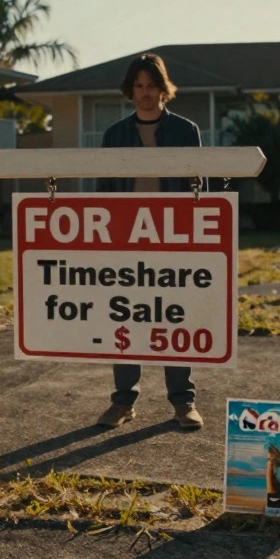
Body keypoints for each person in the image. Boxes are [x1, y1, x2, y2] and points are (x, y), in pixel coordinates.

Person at [94, 53, 205, 431]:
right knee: (125, 317)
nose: (145, 93)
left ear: (163, 88)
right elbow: (104, 194)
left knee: (175, 318)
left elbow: (197, 190)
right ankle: (123, 401)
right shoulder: (114, 136)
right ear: (131, 90)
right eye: (138, 86)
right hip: (127, 242)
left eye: (151, 85)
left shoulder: (186, 131)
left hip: (172, 239)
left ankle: (182, 402)